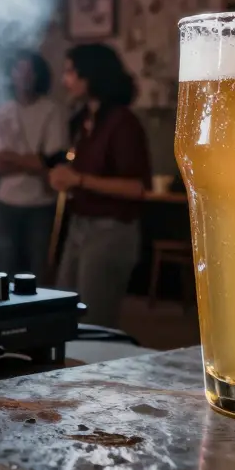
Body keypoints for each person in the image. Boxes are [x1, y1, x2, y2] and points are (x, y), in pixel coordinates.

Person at [48, 44, 151, 330]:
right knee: (62, 306)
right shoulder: (83, 121)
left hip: (111, 229)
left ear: (90, 75)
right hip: (80, 224)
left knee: (94, 318)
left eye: (70, 72)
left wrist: (78, 180)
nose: (64, 80)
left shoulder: (123, 122)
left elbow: (136, 188)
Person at [0, 51, 68, 277]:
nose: (24, 76)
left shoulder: (51, 110)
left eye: (30, 71)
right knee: (4, 268)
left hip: (40, 202)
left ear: (38, 75)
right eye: (18, 70)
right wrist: (33, 161)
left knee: (39, 269)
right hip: (6, 201)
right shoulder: (3, 111)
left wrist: (10, 157)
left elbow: (52, 163)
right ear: (11, 75)